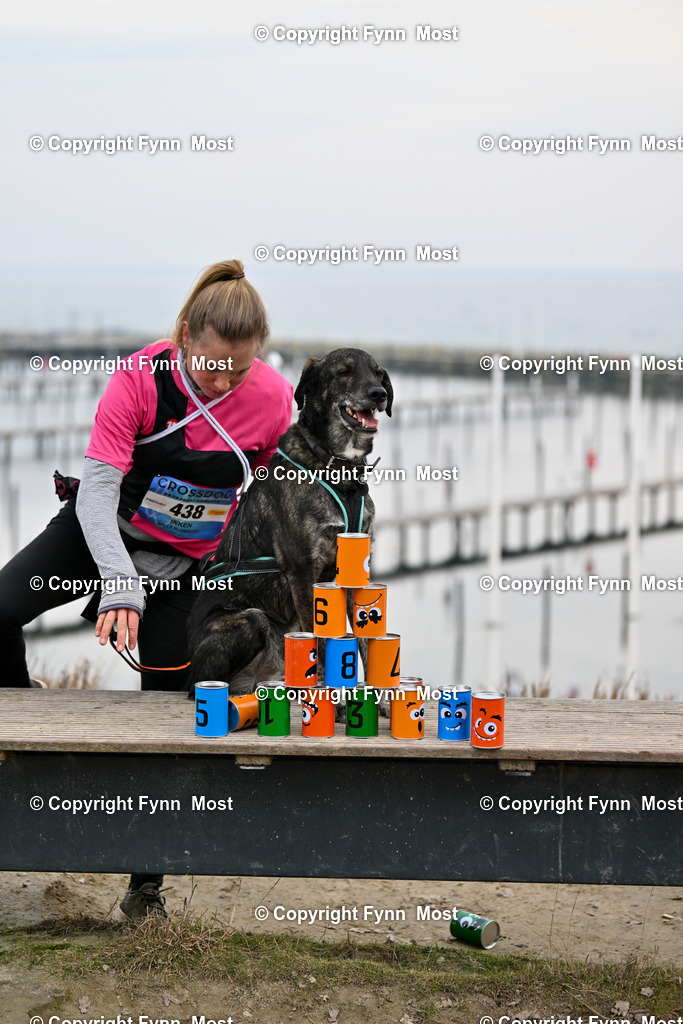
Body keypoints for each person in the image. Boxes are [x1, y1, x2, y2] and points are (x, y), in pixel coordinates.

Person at [0, 259, 293, 919]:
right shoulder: (139, 377)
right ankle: (25, 721)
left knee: (164, 719)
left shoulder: (273, 400)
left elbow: (272, 506)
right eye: (209, 363)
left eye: (237, 368)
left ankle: (144, 888)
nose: (221, 380)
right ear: (186, 334)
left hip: (185, 567)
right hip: (100, 532)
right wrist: (120, 585)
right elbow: (98, 492)